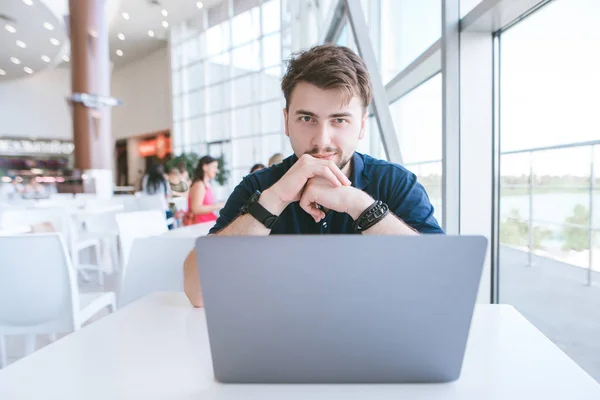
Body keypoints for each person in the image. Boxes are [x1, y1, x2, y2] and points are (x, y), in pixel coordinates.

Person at [184, 44, 443, 307]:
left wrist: (360, 206)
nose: (322, 140)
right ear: (286, 121)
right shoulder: (260, 187)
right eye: (307, 119)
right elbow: (198, 292)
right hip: (279, 339)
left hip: (376, 337)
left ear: (362, 125)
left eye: (339, 120)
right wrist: (273, 201)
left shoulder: (395, 183)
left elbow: (441, 282)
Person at [187, 155, 225, 224]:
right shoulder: (199, 185)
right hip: (200, 225)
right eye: (214, 167)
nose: (216, 170)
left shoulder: (205, 184)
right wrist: (218, 206)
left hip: (207, 223)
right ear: (205, 167)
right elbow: (195, 209)